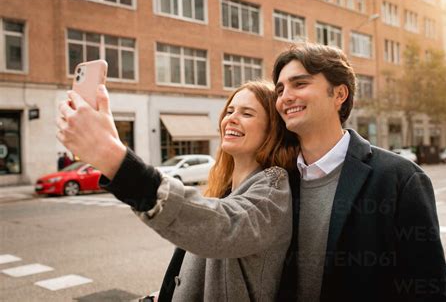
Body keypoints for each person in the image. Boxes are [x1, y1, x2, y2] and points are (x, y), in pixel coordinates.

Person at [57, 81, 299, 301]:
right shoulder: (224, 189)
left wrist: (113, 157)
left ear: (272, 130)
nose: (232, 118)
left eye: (247, 113)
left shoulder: (273, 185)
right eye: (229, 111)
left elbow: (223, 227)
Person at [273, 43, 446, 302]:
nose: (285, 97)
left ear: (339, 94)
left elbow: (428, 291)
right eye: (280, 89)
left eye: (299, 84)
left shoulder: (400, 179)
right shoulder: (276, 179)